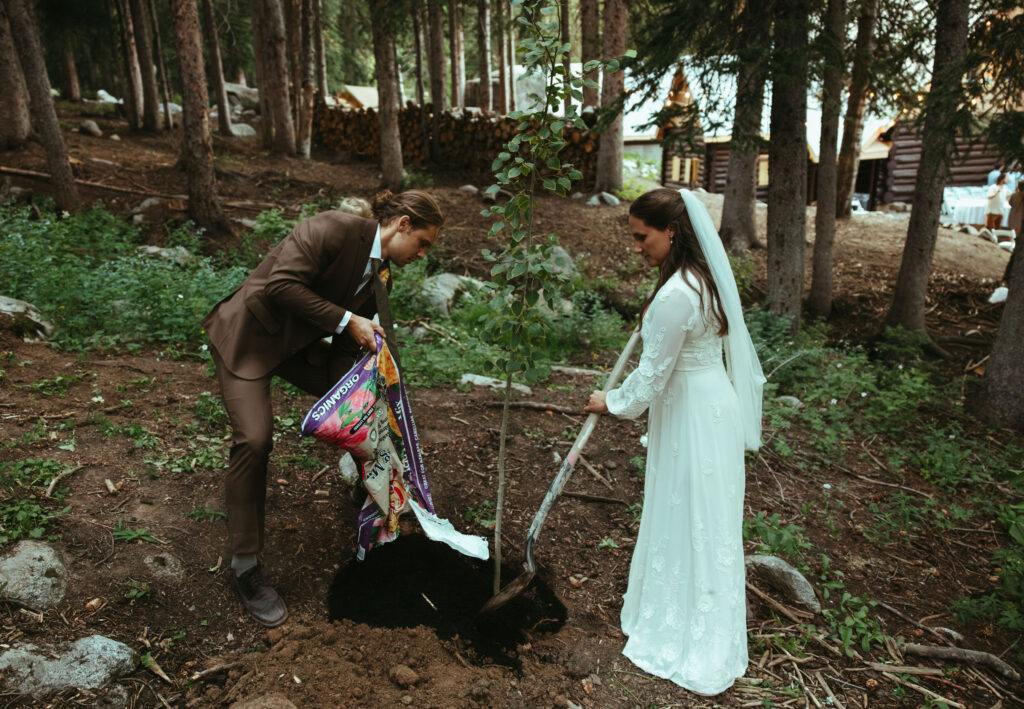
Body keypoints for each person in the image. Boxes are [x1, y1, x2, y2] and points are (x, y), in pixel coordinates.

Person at [202, 189, 444, 627]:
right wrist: (348, 320)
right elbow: (279, 285)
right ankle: (245, 568)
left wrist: (359, 391)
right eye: (423, 243)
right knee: (254, 440)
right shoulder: (331, 228)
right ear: (403, 223)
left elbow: (346, 348)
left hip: (300, 348)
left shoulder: (381, 271)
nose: (422, 254)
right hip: (249, 338)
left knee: (368, 404)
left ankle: (372, 495)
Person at [584, 188, 764, 695]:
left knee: (692, 515)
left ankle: (693, 635)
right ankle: (701, 625)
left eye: (642, 237)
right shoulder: (700, 282)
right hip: (711, 404)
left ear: (672, 231)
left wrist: (609, 401)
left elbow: (650, 379)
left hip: (693, 414)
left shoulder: (676, 294)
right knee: (705, 518)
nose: (636, 246)